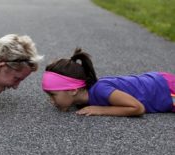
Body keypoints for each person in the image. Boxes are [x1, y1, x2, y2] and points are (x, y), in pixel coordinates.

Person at [42, 48, 175, 117]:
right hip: (159, 82)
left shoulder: (101, 89)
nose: (51, 101)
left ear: (73, 90)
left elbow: (138, 108)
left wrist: (101, 110)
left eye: (53, 95)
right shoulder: (83, 98)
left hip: (166, 89)